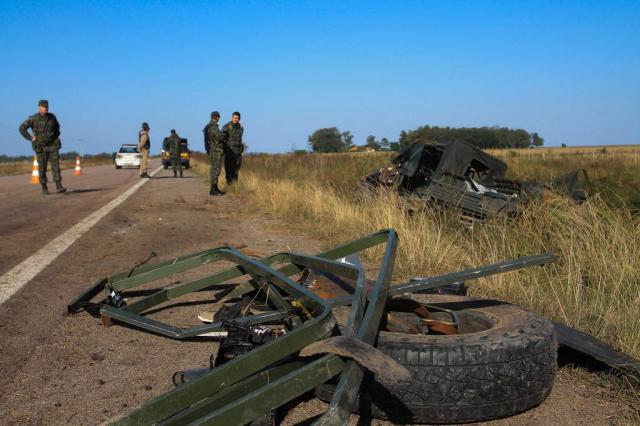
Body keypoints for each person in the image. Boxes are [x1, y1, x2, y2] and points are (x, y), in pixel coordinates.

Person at [19, 100, 66, 194]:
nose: (45, 108)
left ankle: (58, 185)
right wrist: (31, 138)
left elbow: (57, 127)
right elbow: (22, 128)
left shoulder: (52, 117)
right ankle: (44, 187)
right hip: (41, 147)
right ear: (39, 107)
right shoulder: (33, 118)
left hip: (53, 145)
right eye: (43, 107)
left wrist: (56, 136)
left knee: (56, 166)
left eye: (47, 107)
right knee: (42, 167)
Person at [203, 111, 225, 196]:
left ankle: (215, 188)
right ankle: (213, 189)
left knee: (215, 169)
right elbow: (219, 136)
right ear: (217, 117)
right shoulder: (213, 126)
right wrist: (224, 135)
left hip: (214, 150)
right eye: (218, 117)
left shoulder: (210, 125)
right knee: (216, 169)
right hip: (215, 150)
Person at [222, 111, 244, 184]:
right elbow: (222, 139)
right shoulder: (226, 127)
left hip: (238, 153)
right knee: (228, 170)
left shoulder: (241, 127)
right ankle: (229, 185)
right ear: (232, 117)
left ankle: (235, 187)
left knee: (236, 170)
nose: (235, 119)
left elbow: (240, 139)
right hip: (229, 153)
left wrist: (241, 150)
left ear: (239, 119)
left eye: (237, 118)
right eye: (234, 117)